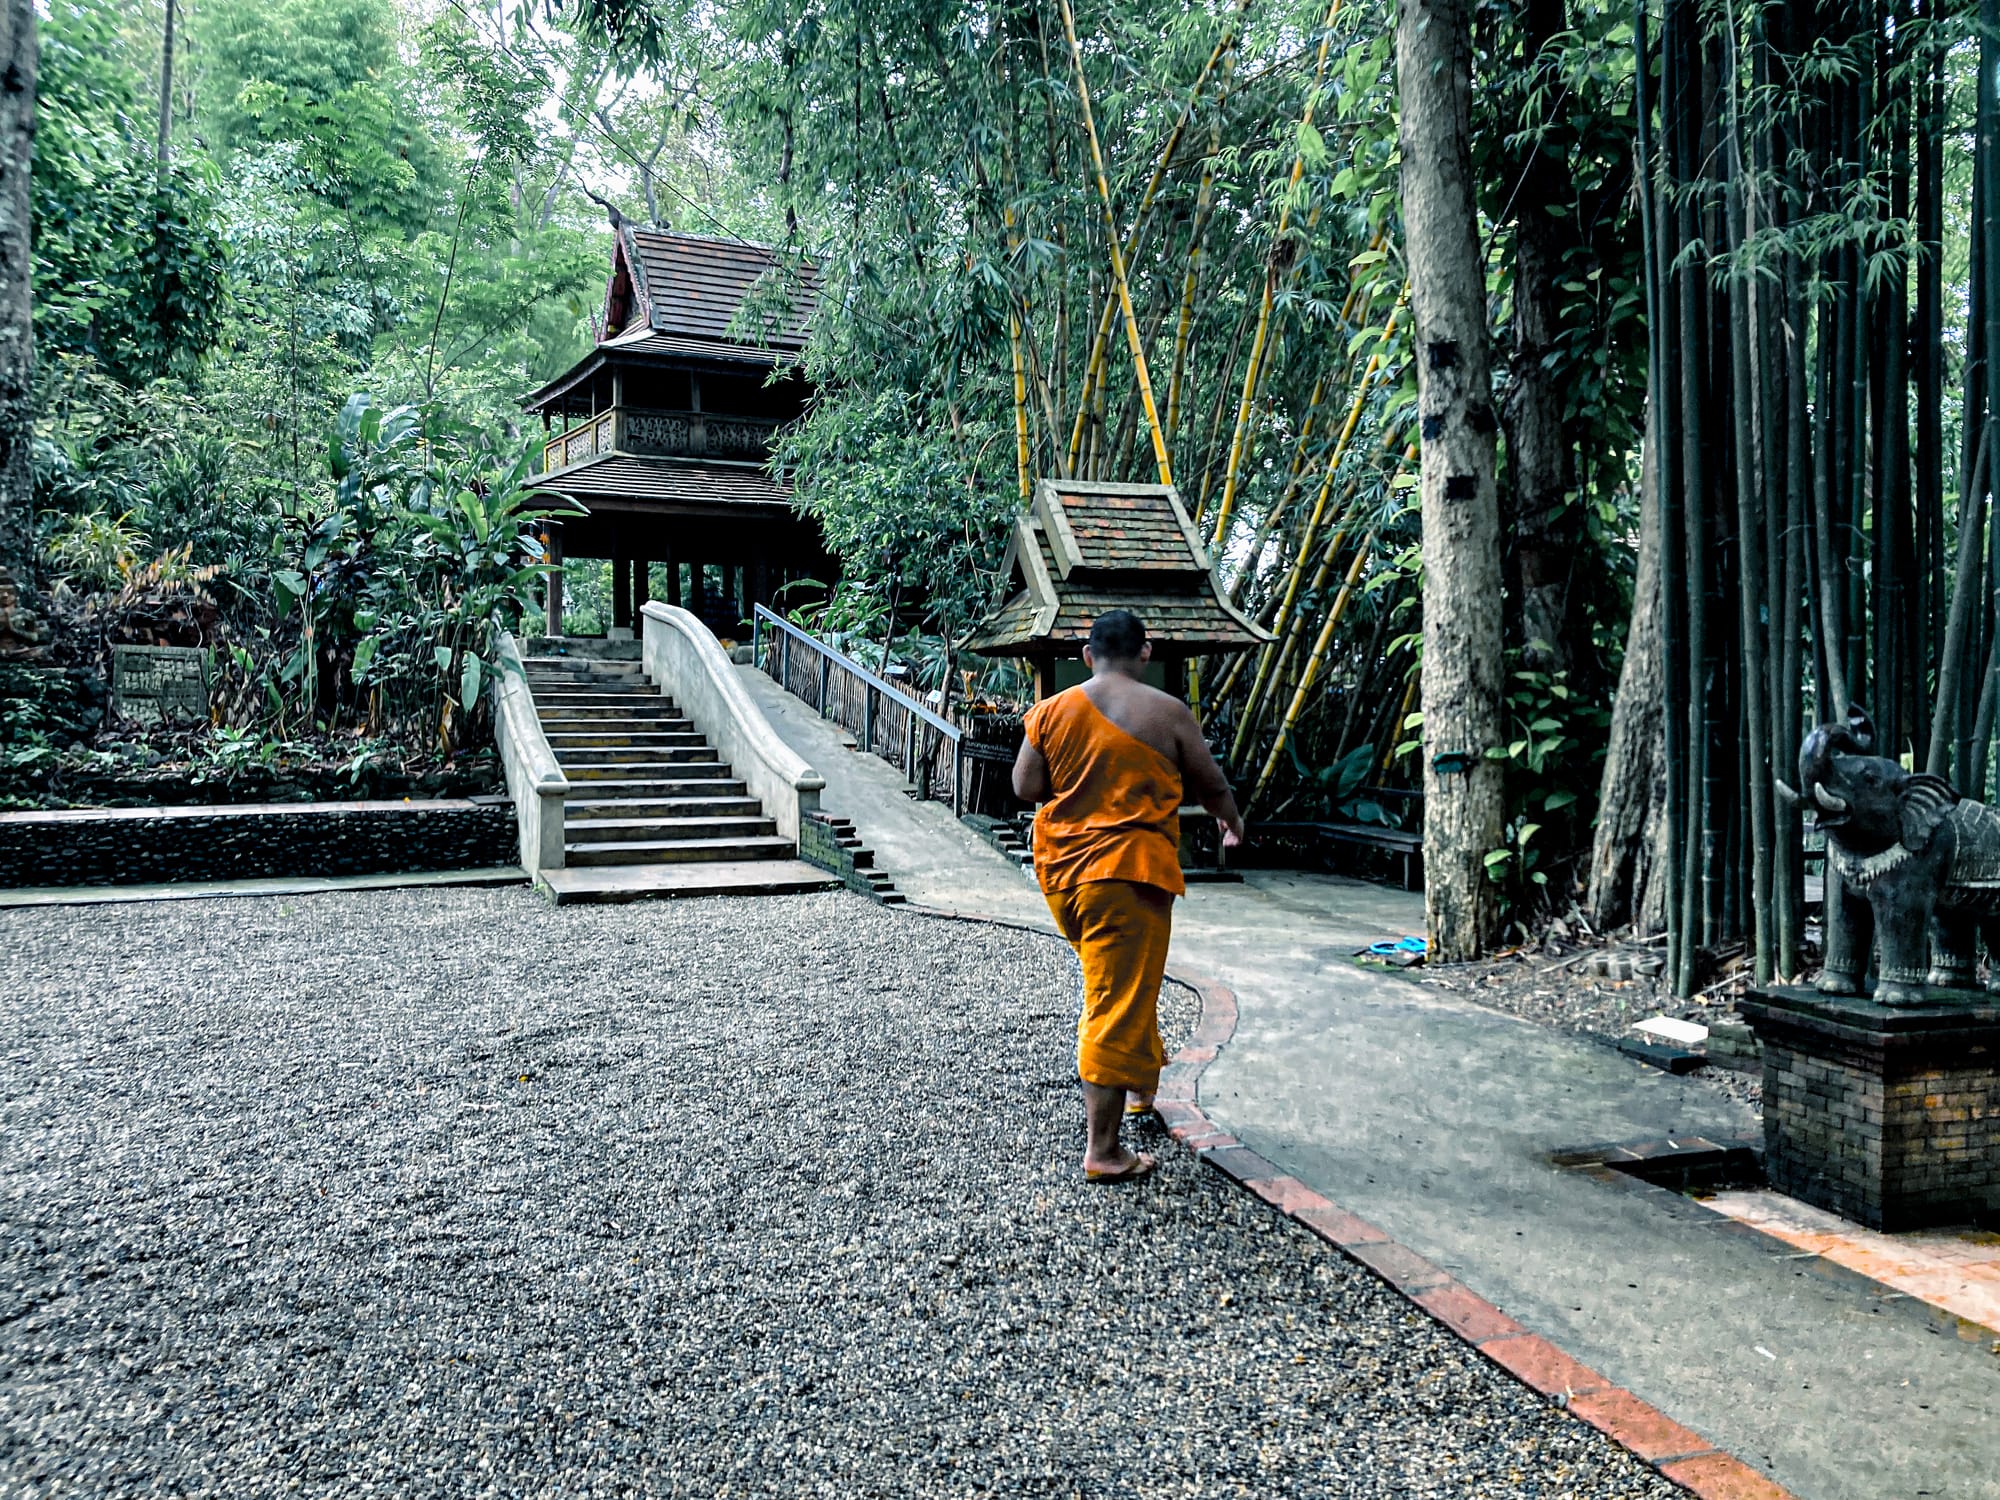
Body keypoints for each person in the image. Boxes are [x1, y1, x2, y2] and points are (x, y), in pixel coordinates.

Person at [1011, 609, 1245, 1184]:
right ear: (1145, 653)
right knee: (1114, 996)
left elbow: (1025, 788)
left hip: (1065, 874)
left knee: (1126, 978)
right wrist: (1231, 823)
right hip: (1128, 874)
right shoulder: (1168, 713)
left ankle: (1141, 1089)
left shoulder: (1050, 712)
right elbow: (1210, 783)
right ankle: (1103, 1150)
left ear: (1087, 656)